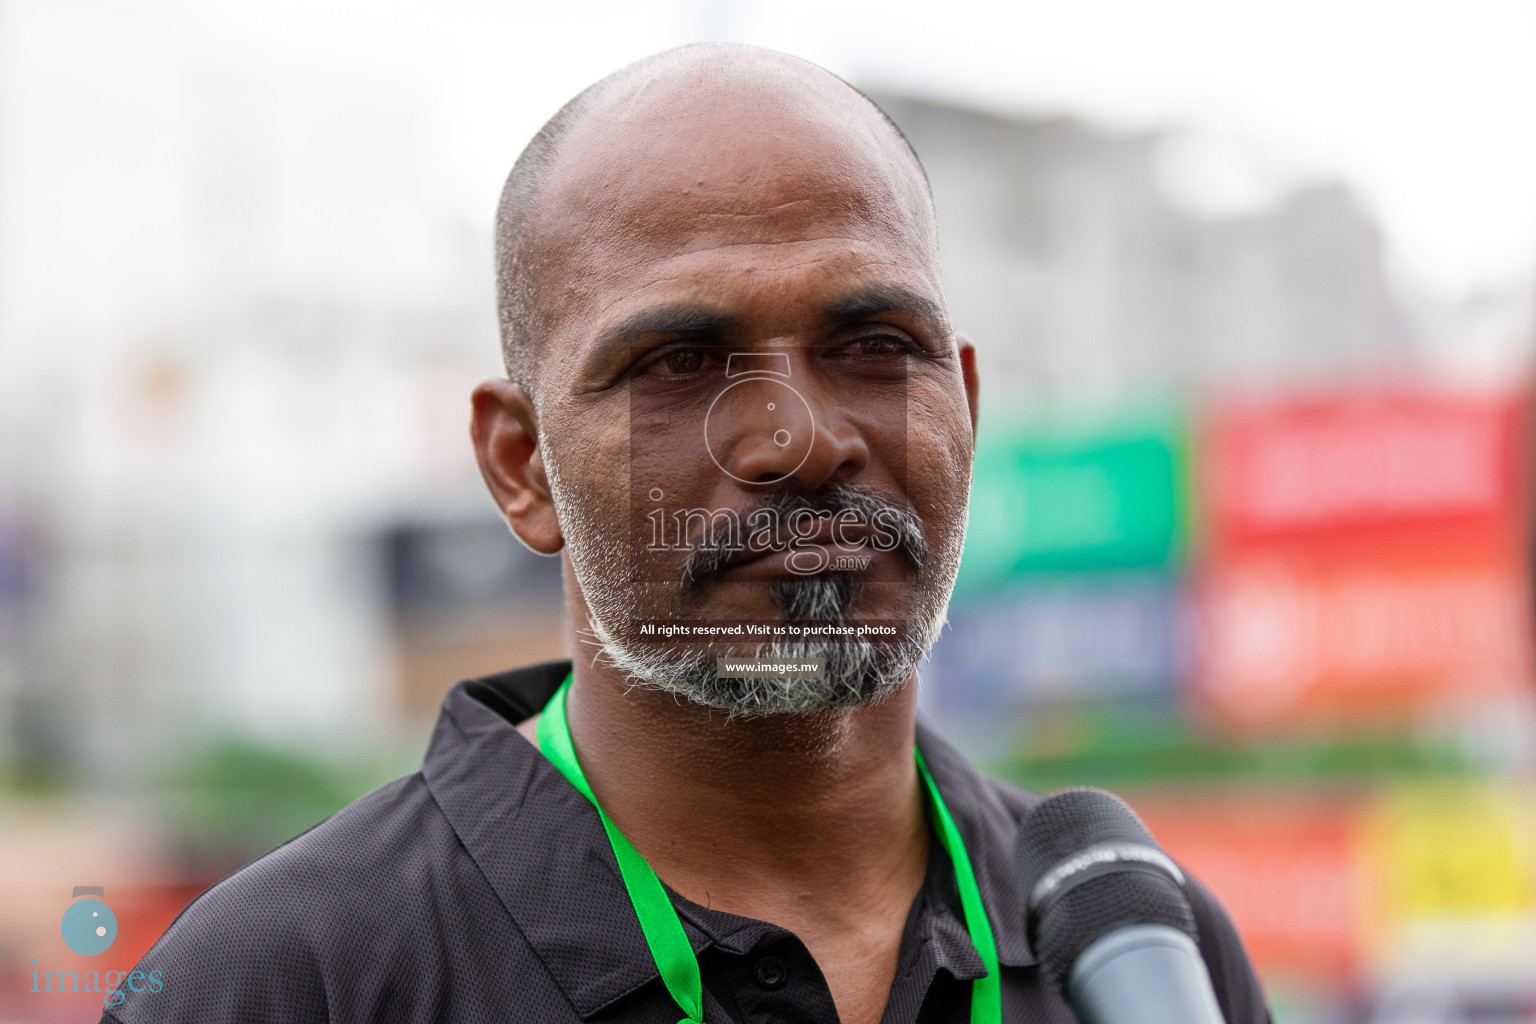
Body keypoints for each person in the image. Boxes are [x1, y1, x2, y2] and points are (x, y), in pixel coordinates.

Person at [104, 43, 1269, 1024]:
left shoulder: (1135, 953)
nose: (802, 440)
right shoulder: (283, 980)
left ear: (963, 403)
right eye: (679, 363)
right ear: (522, 466)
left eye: (874, 345)